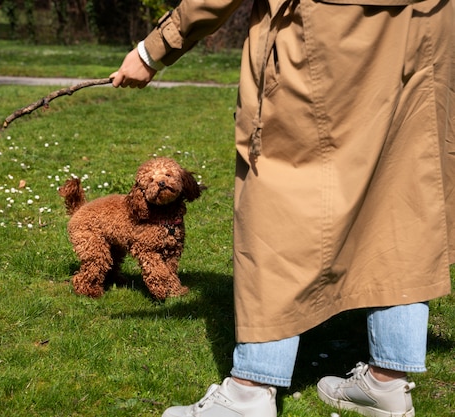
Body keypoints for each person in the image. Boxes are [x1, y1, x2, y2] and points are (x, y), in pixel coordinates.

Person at [109, 0, 454, 415]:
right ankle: (388, 380)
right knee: (400, 191)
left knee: (282, 193)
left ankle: (251, 390)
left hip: (322, 36)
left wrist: (153, 49)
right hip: (424, 27)